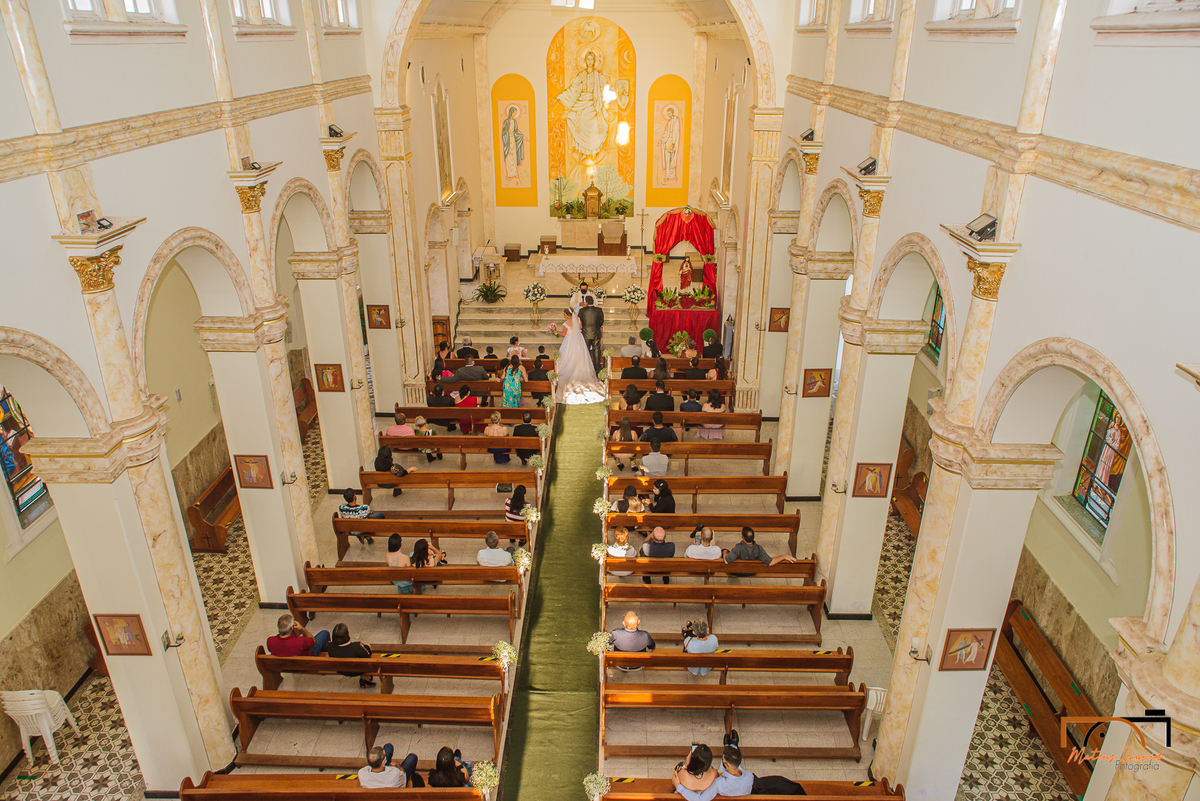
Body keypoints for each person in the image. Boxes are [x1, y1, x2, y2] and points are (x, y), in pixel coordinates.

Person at [554, 307, 605, 404]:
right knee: (580, 356)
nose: (563, 315)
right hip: (578, 341)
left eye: (564, 314)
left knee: (568, 356)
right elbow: (580, 327)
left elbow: (564, 333)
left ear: (567, 314)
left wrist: (556, 332)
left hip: (569, 342)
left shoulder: (566, 323)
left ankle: (571, 371)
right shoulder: (577, 319)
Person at [327, 622, 375, 688]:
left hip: (340, 670)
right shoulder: (356, 647)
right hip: (357, 671)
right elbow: (367, 655)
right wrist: (367, 646)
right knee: (365, 661)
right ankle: (365, 679)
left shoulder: (329, 646)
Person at [724, 526, 799, 567]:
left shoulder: (738, 548)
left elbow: (727, 561)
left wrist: (725, 551)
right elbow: (770, 562)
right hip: (752, 572)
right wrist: (783, 556)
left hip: (737, 571)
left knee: (725, 551)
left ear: (743, 538)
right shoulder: (758, 549)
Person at [359, 744, 424, 789]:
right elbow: (403, 775)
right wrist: (398, 766)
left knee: (388, 747)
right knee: (412, 757)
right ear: (383, 762)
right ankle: (412, 776)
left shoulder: (362, 772)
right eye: (385, 757)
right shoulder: (395, 773)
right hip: (394, 783)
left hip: (381, 783)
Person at [578, 295, 605, 371]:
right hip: (596, 333)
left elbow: (579, 322)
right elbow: (601, 321)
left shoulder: (582, 311)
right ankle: (596, 368)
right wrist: (597, 327)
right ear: (593, 301)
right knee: (596, 351)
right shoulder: (599, 310)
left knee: (585, 351)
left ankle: (585, 368)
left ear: (586, 302)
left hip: (585, 333)